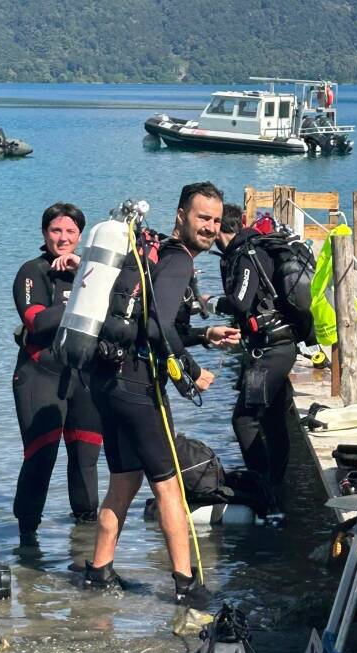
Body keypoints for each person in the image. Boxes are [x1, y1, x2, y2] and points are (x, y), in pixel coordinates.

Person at [86, 182, 225, 605]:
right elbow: (155, 328)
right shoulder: (179, 261)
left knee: (124, 481)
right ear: (181, 215)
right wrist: (193, 370)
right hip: (138, 386)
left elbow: (160, 322)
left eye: (217, 221)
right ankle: (186, 585)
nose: (210, 228)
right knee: (169, 487)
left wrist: (204, 335)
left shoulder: (158, 252)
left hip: (107, 379)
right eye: (203, 218)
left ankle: (98, 571)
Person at [12, 202, 102, 544]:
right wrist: (82, 295)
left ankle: (85, 543)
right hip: (40, 375)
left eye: (70, 231)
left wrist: (85, 273)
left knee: (86, 460)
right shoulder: (32, 271)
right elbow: (36, 321)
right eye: (55, 230)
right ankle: (27, 544)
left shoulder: (90, 269)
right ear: (44, 233)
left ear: (81, 235)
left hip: (84, 378)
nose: (63, 238)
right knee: (42, 456)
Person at [212, 203, 297, 508]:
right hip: (277, 345)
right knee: (273, 419)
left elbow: (239, 301)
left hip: (272, 350)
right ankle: (276, 487)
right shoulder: (247, 250)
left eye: (212, 223)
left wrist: (208, 304)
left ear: (223, 227)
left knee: (244, 420)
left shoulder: (247, 255)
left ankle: (262, 485)